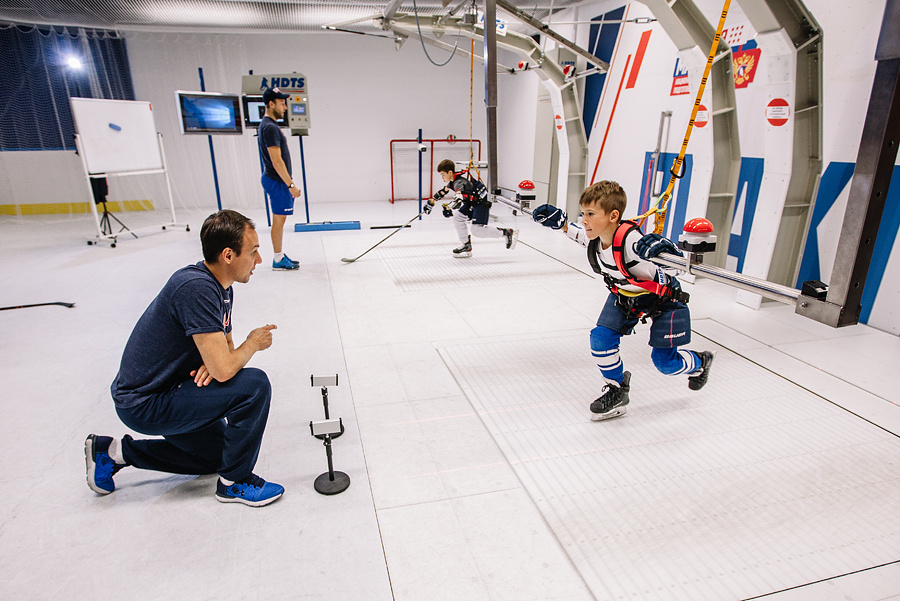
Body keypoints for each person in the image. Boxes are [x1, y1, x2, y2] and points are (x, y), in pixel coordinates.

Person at [85, 210, 284, 507]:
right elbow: (227, 368)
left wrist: (215, 361)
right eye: (253, 252)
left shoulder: (221, 287)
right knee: (254, 385)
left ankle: (114, 453)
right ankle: (235, 482)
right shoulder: (197, 288)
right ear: (228, 255)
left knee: (219, 457)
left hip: (172, 388)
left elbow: (224, 357)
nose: (259, 260)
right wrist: (251, 344)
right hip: (144, 402)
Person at [533, 181, 714, 421]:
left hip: (662, 300)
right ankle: (617, 390)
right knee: (600, 338)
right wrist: (563, 224)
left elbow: (680, 272)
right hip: (625, 296)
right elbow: (579, 235)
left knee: (665, 364)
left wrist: (670, 255)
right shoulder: (597, 238)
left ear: (613, 216)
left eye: (590, 214)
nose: (584, 220)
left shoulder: (632, 244)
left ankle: (700, 361)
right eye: (582, 213)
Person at [424, 159, 518, 257]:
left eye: (443, 175)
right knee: (458, 217)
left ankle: (506, 232)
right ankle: (466, 244)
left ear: (450, 172)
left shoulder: (459, 182)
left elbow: (459, 192)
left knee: (477, 231)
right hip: (471, 203)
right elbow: (443, 191)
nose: (442, 178)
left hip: (480, 203)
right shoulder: (453, 181)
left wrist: (450, 206)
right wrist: (431, 202)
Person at [258, 87, 301, 271]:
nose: (285, 107)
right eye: (282, 103)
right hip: (277, 181)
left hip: (276, 180)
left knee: (280, 220)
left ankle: (280, 255)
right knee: (278, 221)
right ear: (271, 104)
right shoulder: (269, 127)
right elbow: (276, 161)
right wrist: (290, 185)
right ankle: (277, 259)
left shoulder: (269, 125)